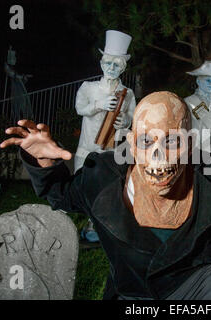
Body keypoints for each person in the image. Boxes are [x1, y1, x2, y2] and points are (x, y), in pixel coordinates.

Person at [0, 91, 211, 300]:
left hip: (193, 289)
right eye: (147, 141)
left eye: (172, 141)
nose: (159, 154)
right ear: (130, 143)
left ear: (191, 143)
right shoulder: (105, 175)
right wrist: (42, 159)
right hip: (132, 298)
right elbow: (61, 194)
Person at [74, 30, 136, 243]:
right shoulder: (88, 88)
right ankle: (85, 221)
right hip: (88, 148)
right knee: (84, 186)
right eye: (108, 63)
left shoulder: (127, 93)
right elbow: (79, 108)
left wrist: (125, 122)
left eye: (116, 65)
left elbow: (132, 117)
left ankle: (97, 225)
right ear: (101, 64)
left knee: (106, 188)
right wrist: (99, 105)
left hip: (110, 151)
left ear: (123, 68)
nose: (111, 68)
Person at [184, 60, 211, 150]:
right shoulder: (189, 101)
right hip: (191, 150)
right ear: (198, 81)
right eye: (208, 80)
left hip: (208, 151)